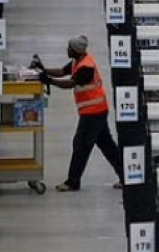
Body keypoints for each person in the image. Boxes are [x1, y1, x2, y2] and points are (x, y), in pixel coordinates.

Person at [36, 35, 123, 192]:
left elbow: (70, 83)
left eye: (69, 48)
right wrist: (44, 70)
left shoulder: (86, 68)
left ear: (76, 50)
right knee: (108, 146)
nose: (67, 50)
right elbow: (62, 71)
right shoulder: (79, 60)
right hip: (97, 111)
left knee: (81, 146)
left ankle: (72, 182)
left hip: (93, 113)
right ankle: (126, 177)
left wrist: (49, 81)